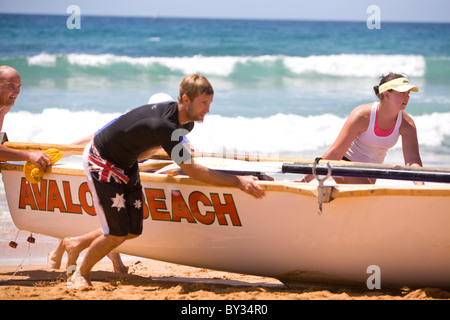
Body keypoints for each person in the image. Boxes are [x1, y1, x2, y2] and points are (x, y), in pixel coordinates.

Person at [70, 74, 265, 287]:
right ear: (186, 100)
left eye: (209, 103)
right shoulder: (164, 125)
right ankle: (81, 273)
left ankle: (76, 244)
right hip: (101, 160)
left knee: (133, 230)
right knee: (117, 233)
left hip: (126, 163)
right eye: (204, 103)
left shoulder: (186, 123)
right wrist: (238, 181)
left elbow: (153, 147)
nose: (208, 109)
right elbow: (193, 171)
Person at [47, 93, 177, 272]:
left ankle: (110, 261)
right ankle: (62, 251)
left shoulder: (171, 127)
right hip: (111, 169)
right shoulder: (129, 122)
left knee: (117, 222)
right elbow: (93, 139)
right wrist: (59, 154)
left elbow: (188, 152)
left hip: (131, 175)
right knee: (115, 222)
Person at [298, 73, 424, 185]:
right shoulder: (362, 116)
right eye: (402, 93)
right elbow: (335, 153)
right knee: (369, 195)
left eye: (408, 93)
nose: (407, 97)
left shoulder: (407, 125)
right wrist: (305, 180)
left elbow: (413, 162)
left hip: (370, 173)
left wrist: (421, 188)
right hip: (345, 166)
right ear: (386, 95)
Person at [0, 66, 50, 170]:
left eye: (19, 87)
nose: (17, 92)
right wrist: (29, 156)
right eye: (11, 86)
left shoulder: (5, 107)